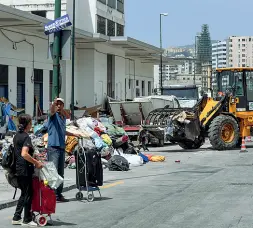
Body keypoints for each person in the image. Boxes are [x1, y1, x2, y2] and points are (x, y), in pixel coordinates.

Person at [12, 114, 43, 227]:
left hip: (18, 169)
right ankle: (27, 219)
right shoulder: (26, 137)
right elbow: (24, 154)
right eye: (31, 123)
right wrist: (36, 162)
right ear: (28, 124)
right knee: (28, 193)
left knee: (24, 193)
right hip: (25, 169)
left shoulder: (16, 136)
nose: (31, 125)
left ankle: (16, 217)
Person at [47, 98, 81, 202]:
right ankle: (50, 195)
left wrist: (74, 134)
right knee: (53, 172)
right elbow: (51, 110)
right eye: (57, 104)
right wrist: (53, 102)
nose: (58, 106)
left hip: (61, 147)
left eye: (60, 104)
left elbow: (63, 130)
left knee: (61, 173)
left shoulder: (62, 117)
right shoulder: (53, 116)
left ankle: (58, 194)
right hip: (53, 148)